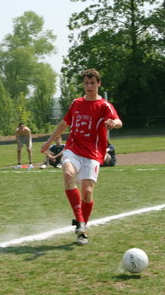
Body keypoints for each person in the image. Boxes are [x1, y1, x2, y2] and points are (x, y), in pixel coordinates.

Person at [41, 68, 122, 245]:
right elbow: (64, 123)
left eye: (92, 83)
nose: (89, 86)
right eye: (86, 83)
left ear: (98, 84)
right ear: (83, 84)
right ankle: (80, 222)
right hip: (73, 149)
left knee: (87, 192)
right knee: (68, 174)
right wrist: (49, 142)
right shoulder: (76, 103)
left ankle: (82, 228)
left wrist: (112, 123)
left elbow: (118, 121)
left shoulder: (104, 106)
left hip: (93, 153)